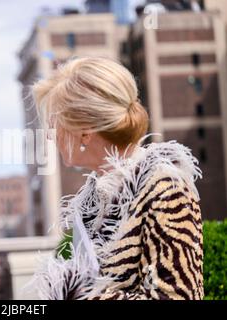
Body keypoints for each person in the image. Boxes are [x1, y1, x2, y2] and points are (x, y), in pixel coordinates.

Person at [30, 56, 204, 300]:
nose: (50, 136)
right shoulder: (93, 197)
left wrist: (79, 294)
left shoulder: (165, 187)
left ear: (84, 132)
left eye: (54, 123)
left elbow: (179, 296)